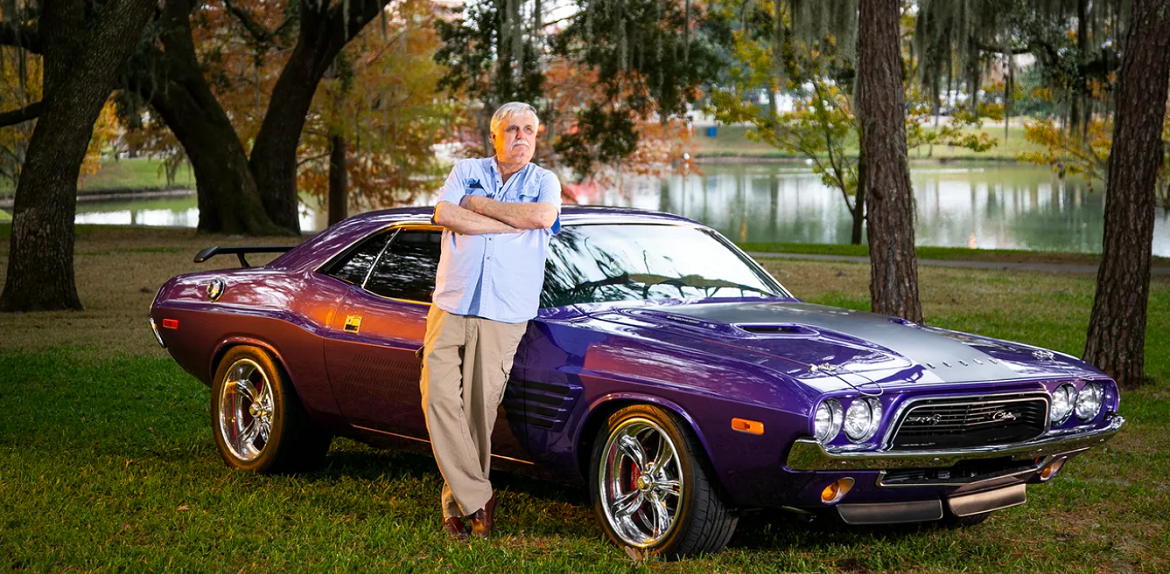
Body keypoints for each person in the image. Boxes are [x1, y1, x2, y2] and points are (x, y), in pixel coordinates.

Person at [421, 102, 561, 540]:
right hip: (452, 301)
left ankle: (457, 509)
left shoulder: (544, 182)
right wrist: (508, 224)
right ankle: (480, 495)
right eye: (512, 129)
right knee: (436, 397)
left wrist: (476, 209)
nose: (521, 137)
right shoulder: (465, 169)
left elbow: (541, 217)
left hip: (504, 310)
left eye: (529, 130)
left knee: (478, 412)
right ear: (494, 135)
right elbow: (444, 214)